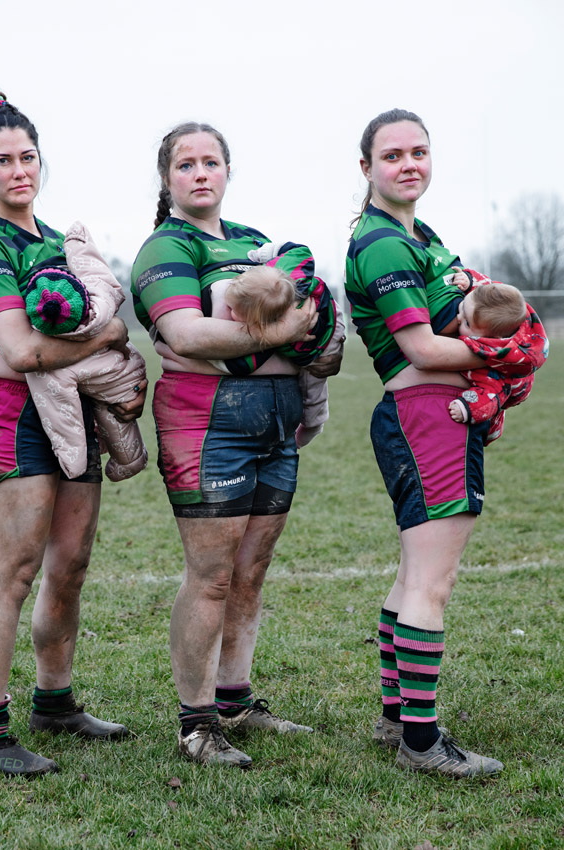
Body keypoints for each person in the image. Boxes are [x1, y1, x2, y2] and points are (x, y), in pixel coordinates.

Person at [131, 122, 343, 767]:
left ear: (228, 171)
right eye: (186, 164)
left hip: (277, 422)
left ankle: (234, 700)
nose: (201, 173)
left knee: (250, 572)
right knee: (213, 577)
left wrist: (312, 333)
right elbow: (187, 335)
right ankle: (195, 724)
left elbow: (317, 318)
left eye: (212, 162)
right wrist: (286, 333)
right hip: (208, 422)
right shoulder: (163, 247)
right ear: (166, 179)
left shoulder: (256, 244)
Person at [0, 92, 146, 777]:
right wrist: (107, 333)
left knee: (70, 565)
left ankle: (55, 702)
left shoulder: (53, 240)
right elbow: (21, 352)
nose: (17, 170)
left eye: (27, 156)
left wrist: (92, 337)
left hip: (74, 413)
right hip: (13, 414)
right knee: (14, 572)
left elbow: (60, 333)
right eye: (2, 160)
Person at [345, 108, 505, 777]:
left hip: (430, 412)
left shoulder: (423, 234)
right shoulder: (382, 241)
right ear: (367, 168)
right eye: (393, 155)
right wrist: (502, 357)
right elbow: (419, 347)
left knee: (414, 575)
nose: (409, 164)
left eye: (419, 152)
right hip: (427, 412)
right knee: (431, 584)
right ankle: (421, 742)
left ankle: (396, 720)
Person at [24, 220, 148, 481]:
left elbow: (61, 416)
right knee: (115, 423)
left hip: (115, 384)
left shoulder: (56, 365)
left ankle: (129, 462)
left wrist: (74, 461)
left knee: (114, 420)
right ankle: (128, 460)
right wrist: (77, 240)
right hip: (129, 366)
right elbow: (94, 272)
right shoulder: (100, 300)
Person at [206, 242, 346, 448]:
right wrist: (259, 255)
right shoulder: (287, 278)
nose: (229, 311)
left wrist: (211, 355)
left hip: (326, 340)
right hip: (331, 306)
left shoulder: (274, 337)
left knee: (314, 387)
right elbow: (300, 250)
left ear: (261, 323)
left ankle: (313, 426)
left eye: (234, 311)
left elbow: (238, 365)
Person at [446, 269, 548, 440]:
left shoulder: (496, 366)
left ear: (489, 338)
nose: (457, 318)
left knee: (493, 414)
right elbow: (487, 288)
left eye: (466, 322)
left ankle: (494, 428)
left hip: (510, 386)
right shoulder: (488, 306)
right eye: (462, 306)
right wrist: (469, 280)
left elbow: (490, 395)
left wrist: (466, 407)